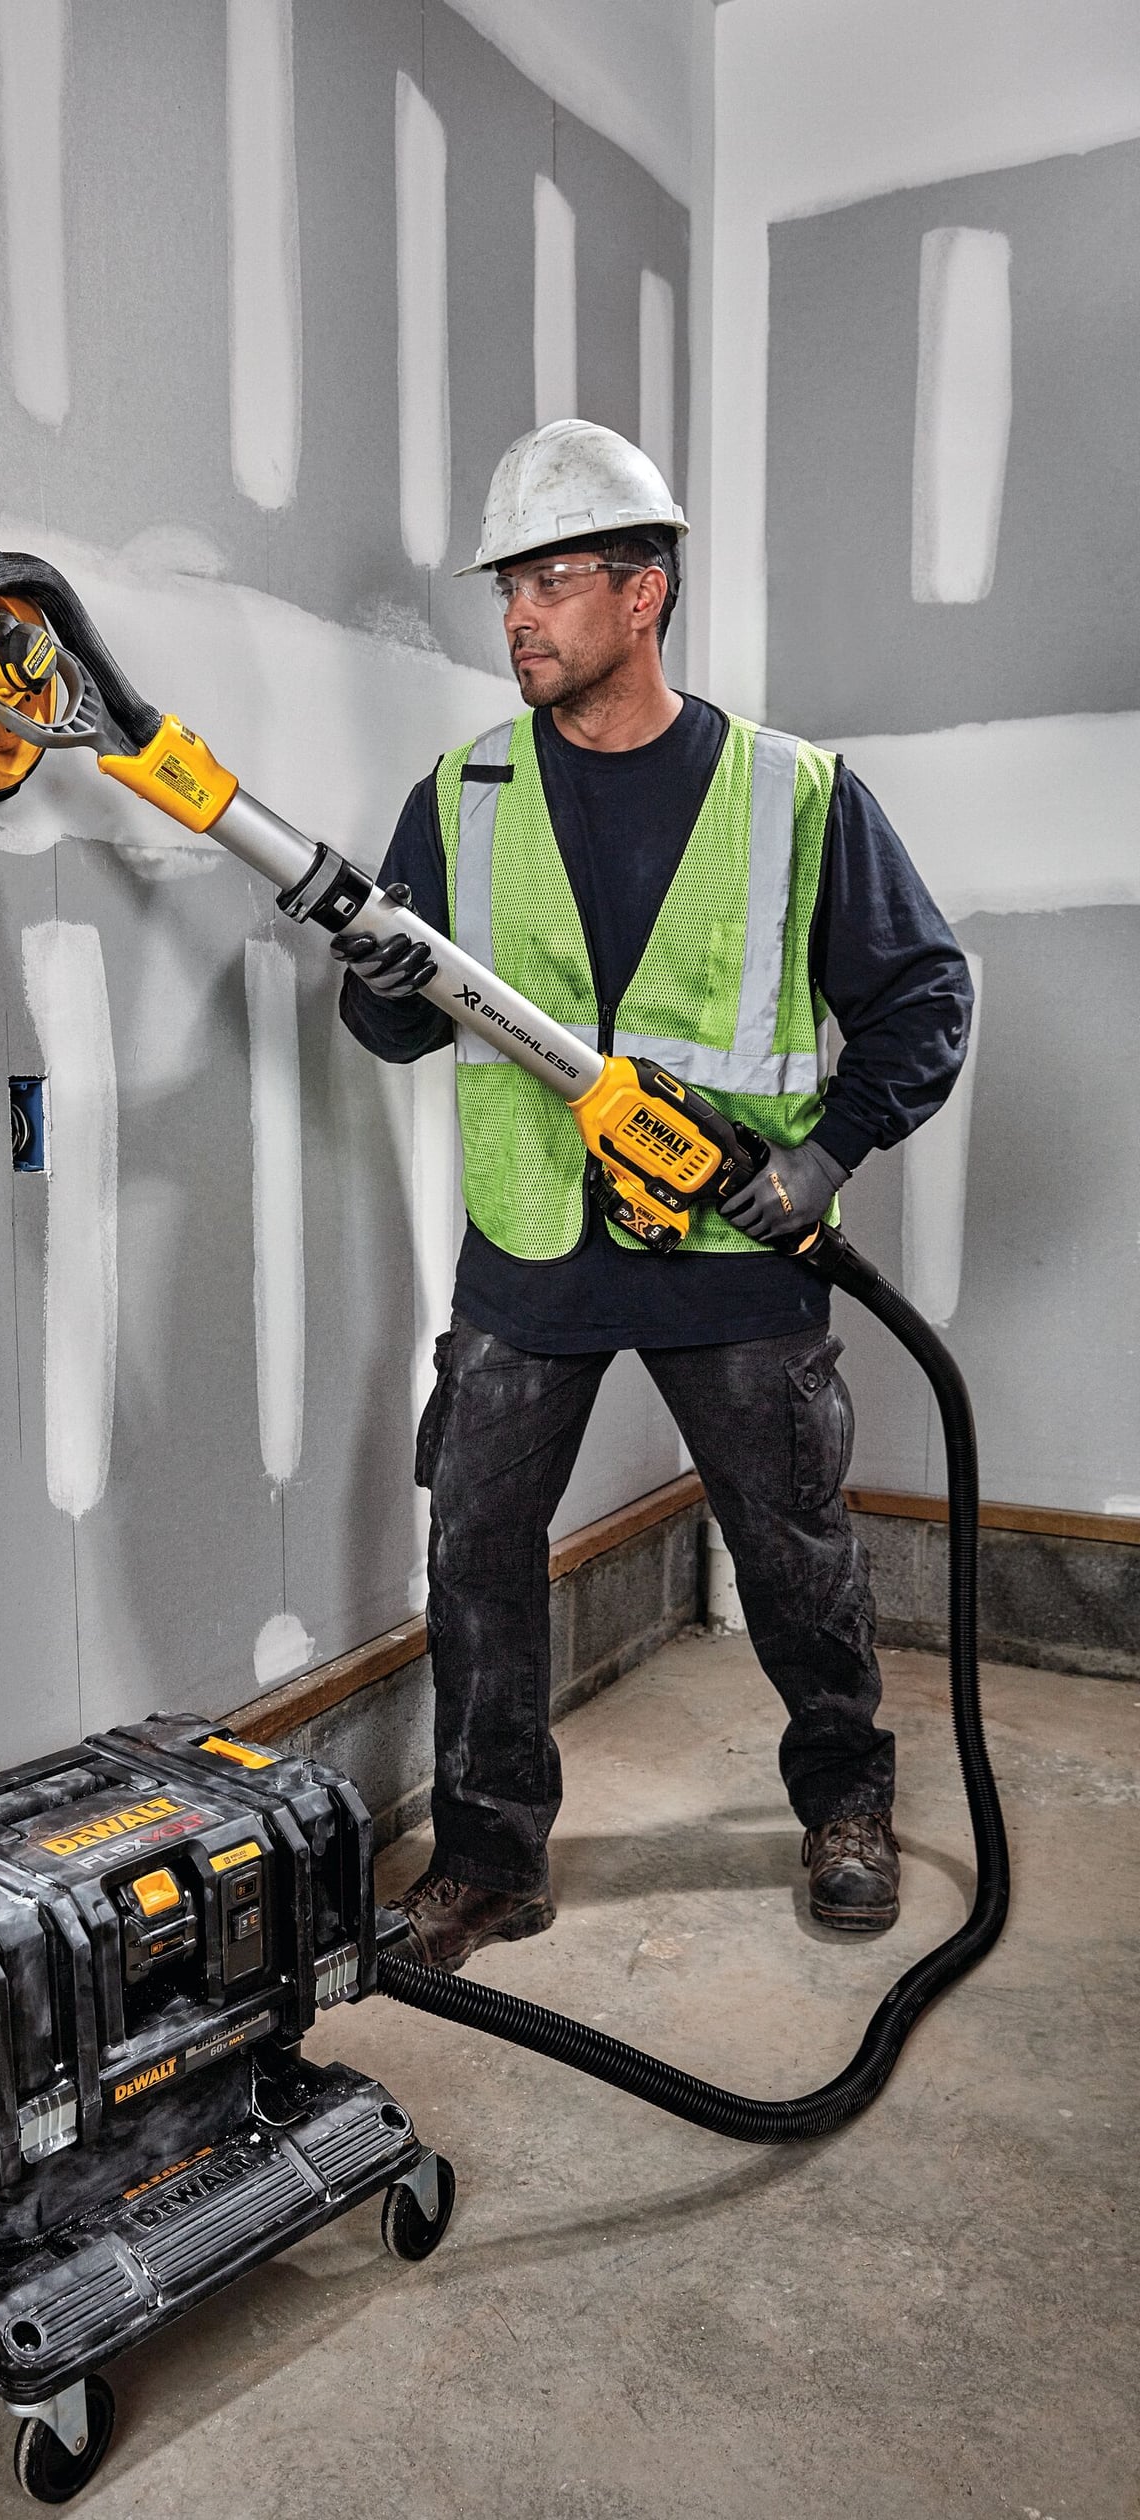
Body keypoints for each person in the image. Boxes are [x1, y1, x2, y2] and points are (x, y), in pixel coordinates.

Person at [335, 419, 972, 1970]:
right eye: (509, 589)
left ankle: (843, 1800)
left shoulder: (796, 794)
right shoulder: (461, 794)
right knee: (476, 1553)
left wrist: (820, 1162)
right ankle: (490, 1859)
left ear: (645, 593)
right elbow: (395, 1028)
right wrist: (371, 976)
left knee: (794, 1551)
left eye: (552, 581)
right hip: (531, 1256)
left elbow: (924, 1000)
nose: (520, 619)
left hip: (730, 1264)